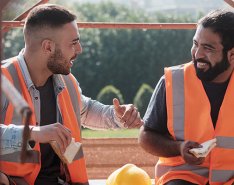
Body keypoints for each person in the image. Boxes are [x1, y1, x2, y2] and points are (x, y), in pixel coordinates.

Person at [0, 4, 143, 185]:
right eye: (73, 43)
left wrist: (117, 117)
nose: (79, 50)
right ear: (48, 47)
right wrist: (35, 133)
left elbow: (86, 110)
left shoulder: (66, 82)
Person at [139, 9, 234, 185]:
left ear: (232, 55)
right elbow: (146, 136)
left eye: (208, 48)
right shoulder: (173, 81)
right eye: (195, 44)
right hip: (182, 176)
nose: (197, 54)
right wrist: (179, 147)